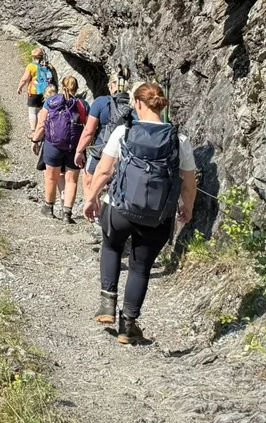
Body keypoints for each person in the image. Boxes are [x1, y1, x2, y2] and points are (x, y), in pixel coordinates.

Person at [83, 82, 197, 345]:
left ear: (137, 104)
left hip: (120, 208)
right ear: (161, 105)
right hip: (158, 216)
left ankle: (107, 306)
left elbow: (103, 171)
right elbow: (189, 183)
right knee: (140, 268)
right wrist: (186, 207)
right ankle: (128, 326)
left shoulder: (124, 131)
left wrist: (91, 198)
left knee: (111, 247)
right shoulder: (178, 140)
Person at [31, 75, 87, 223]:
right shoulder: (82, 105)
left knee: (51, 177)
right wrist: (82, 149)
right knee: (71, 180)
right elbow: (87, 128)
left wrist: (35, 140)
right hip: (74, 147)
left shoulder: (50, 101)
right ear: (76, 88)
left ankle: (48, 208)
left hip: (53, 145)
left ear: (62, 86)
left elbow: (42, 124)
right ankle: (67, 213)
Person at [76, 69, 134, 202]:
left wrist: (79, 151)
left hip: (101, 150)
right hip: (125, 153)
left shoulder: (101, 102)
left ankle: (93, 212)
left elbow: (89, 131)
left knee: (89, 180)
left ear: (112, 85)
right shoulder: (134, 104)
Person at [16, 47, 57, 131]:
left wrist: (20, 87)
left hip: (34, 92)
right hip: (46, 92)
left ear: (33, 57)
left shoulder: (31, 66)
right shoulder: (49, 66)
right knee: (42, 111)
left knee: (33, 112)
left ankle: (33, 131)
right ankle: (41, 128)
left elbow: (25, 79)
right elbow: (55, 78)